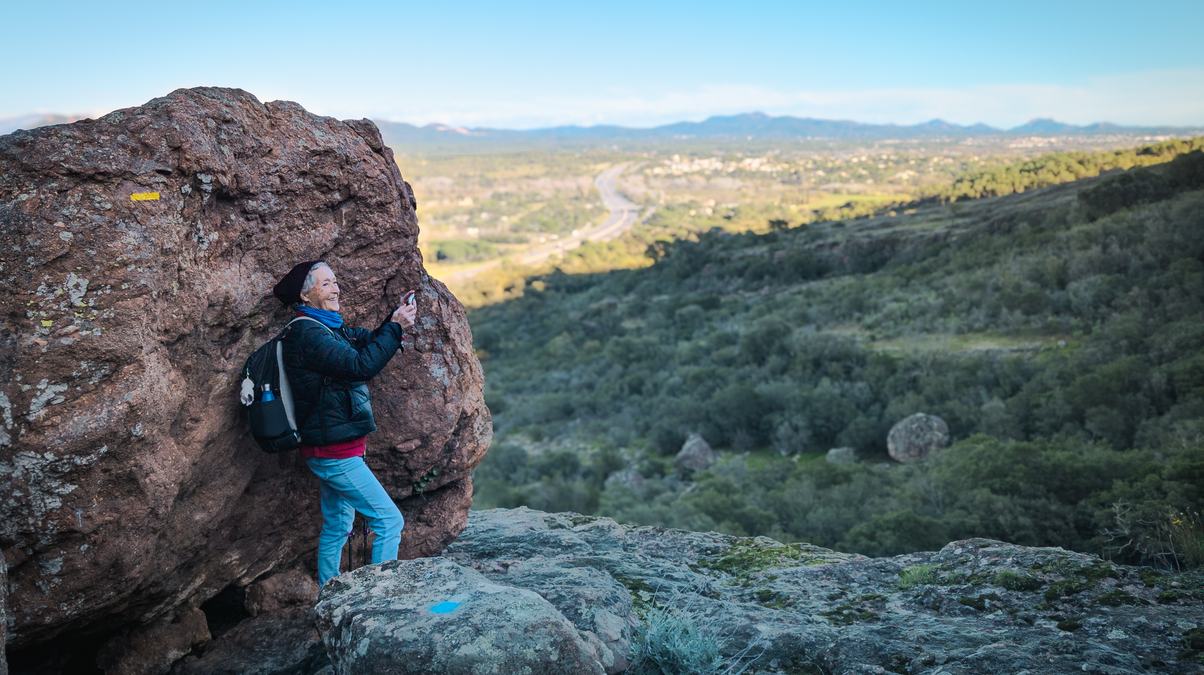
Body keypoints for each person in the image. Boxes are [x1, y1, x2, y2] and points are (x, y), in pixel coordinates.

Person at [271, 259, 417, 587]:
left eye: (335, 281)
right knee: (388, 521)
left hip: (335, 449)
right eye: (325, 284)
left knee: (339, 523)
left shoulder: (328, 327)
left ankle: (327, 594)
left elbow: (367, 342)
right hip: (333, 453)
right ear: (305, 296)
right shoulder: (307, 333)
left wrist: (394, 322)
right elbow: (359, 365)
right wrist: (394, 329)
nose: (335, 288)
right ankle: (381, 600)